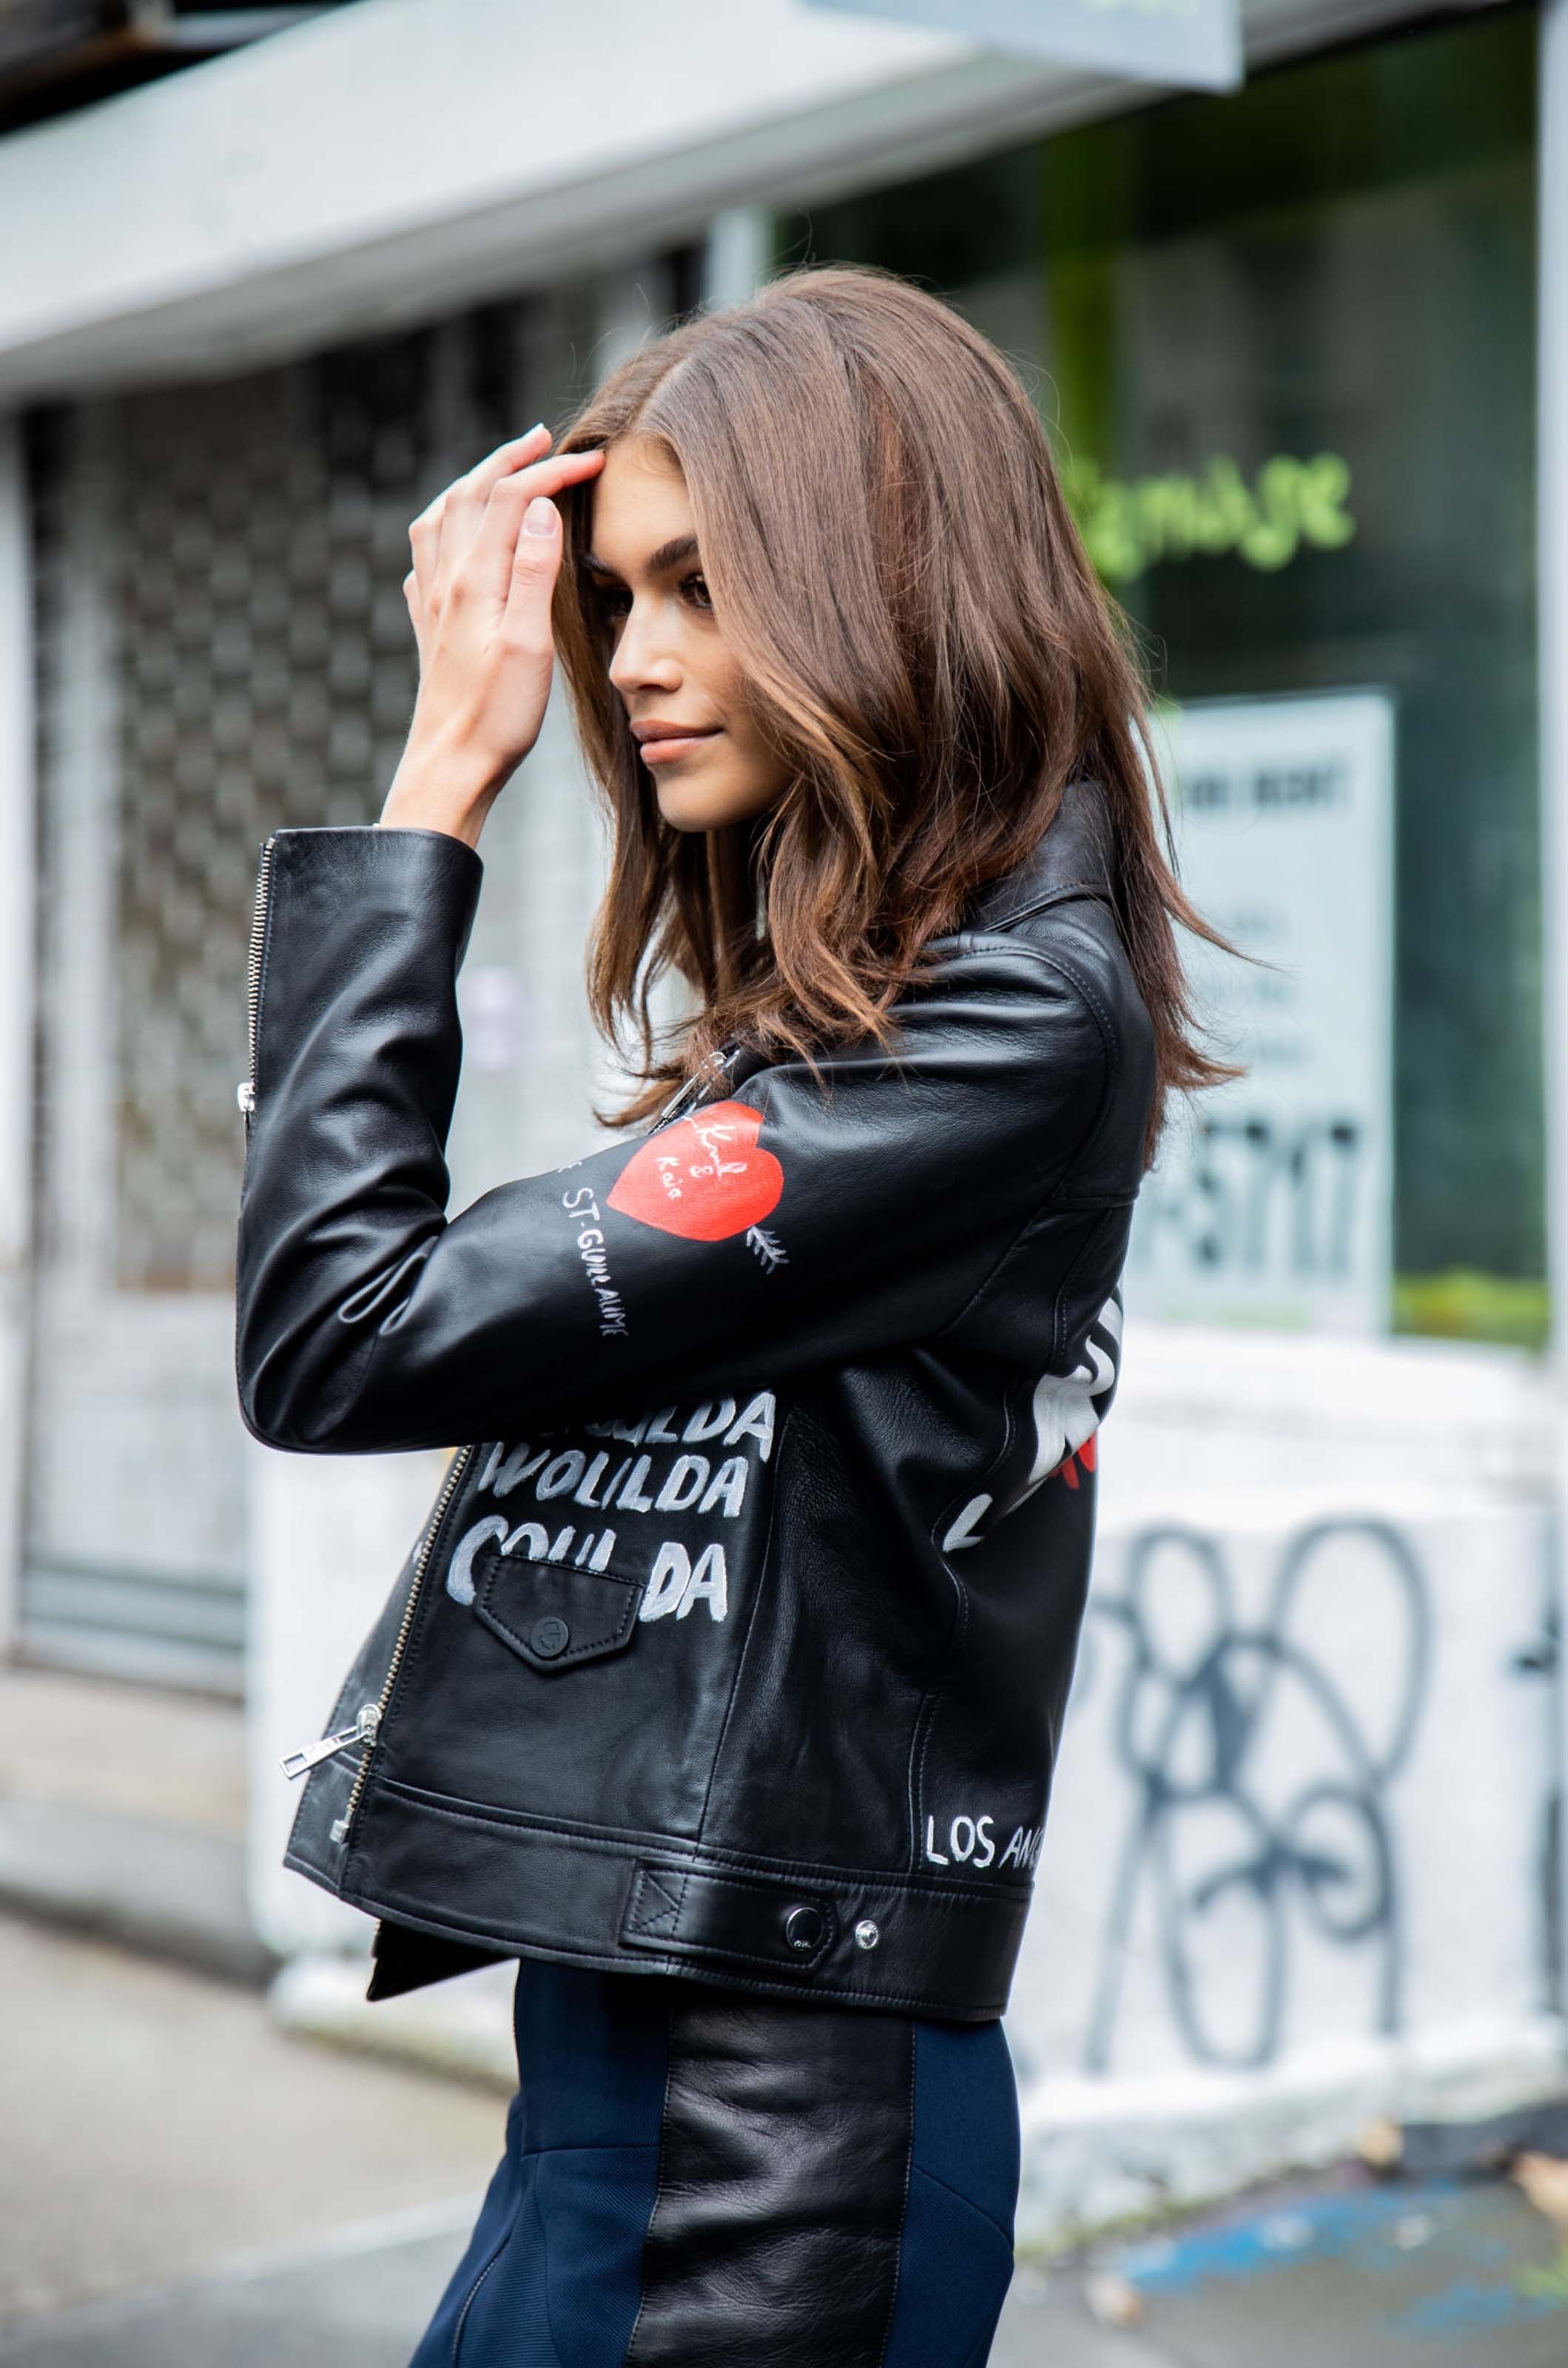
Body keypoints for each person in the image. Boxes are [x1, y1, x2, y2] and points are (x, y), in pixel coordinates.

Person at [235, 266, 1229, 2367]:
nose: (639, 662)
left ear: (880, 583)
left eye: (700, 587)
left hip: (775, 2144)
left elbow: (340, 1330)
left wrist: (437, 784)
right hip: (641, 2070)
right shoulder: (856, 1016)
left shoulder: (1006, 1025)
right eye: (618, 597)